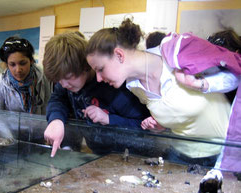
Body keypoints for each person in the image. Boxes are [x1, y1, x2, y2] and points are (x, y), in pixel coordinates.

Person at [86, 19, 235, 166]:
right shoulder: (134, 86)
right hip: (180, 155)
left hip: (223, 155)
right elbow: (177, 112)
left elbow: (236, 73)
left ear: (119, 55)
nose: (98, 79)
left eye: (100, 69)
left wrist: (200, 83)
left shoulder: (177, 51)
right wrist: (162, 125)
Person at [43, 32, 150, 157]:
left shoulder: (114, 85)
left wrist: (109, 119)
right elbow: (58, 99)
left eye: (69, 77)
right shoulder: (65, 82)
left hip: (131, 155)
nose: (64, 85)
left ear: (86, 66)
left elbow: (144, 126)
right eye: (58, 80)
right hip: (98, 154)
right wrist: (56, 120)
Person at [161, 29, 241, 171]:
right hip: (186, 147)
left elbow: (230, 81)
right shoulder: (198, 70)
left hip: (219, 152)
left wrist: (200, 83)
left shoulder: (231, 81)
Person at [0, 36, 52, 113]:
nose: (18, 70)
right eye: (12, 64)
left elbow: (46, 108)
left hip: (38, 124)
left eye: (23, 63)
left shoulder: (42, 77)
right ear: (7, 64)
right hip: (10, 125)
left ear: (31, 61)